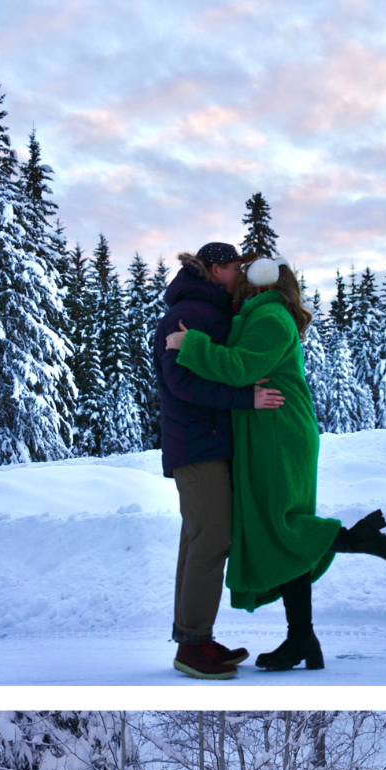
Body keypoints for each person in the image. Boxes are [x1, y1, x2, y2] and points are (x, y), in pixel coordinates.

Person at [166, 256, 386, 672]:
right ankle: (302, 639)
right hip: (270, 432)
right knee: (280, 528)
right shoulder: (262, 315)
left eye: (248, 276)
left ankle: (356, 539)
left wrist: (192, 346)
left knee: (282, 526)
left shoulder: (271, 317)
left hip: (277, 434)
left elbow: (241, 368)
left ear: (262, 284)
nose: (240, 280)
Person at [154, 242, 286, 680]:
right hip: (197, 444)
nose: (241, 274)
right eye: (234, 267)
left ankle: (192, 638)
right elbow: (182, 383)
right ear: (215, 270)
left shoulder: (209, 311)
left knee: (198, 540)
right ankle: (193, 645)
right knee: (211, 540)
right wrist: (244, 398)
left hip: (205, 443)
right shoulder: (188, 314)